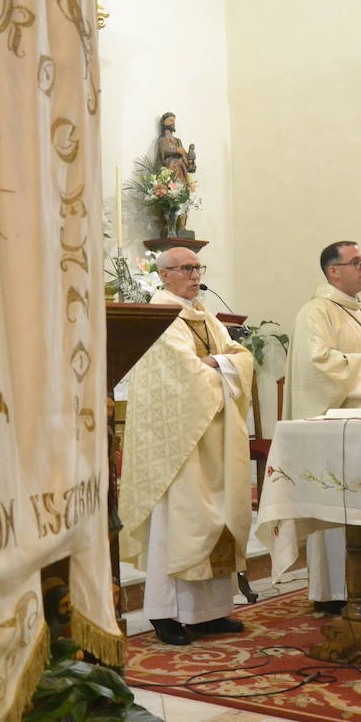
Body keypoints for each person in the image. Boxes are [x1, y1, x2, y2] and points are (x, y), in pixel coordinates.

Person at [118, 248, 255, 644]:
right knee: (178, 523)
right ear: (164, 275)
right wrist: (220, 363)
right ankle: (166, 614)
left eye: (198, 268)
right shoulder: (159, 318)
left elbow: (242, 358)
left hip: (215, 436)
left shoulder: (206, 317)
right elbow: (183, 376)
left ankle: (208, 613)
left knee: (217, 518)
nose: (195, 275)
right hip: (178, 444)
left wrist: (216, 362)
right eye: (186, 269)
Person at [285, 241, 361, 614]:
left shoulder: (360, 311)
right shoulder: (315, 312)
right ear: (333, 271)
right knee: (340, 510)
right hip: (338, 434)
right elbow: (316, 366)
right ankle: (337, 591)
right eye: (356, 262)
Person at [157, 111, 196, 185]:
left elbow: (183, 153)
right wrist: (176, 150)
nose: (173, 123)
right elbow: (164, 151)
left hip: (181, 170)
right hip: (170, 169)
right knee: (171, 186)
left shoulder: (178, 141)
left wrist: (190, 159)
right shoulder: (162, 139)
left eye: (174, 121)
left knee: (181, 187)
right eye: (170, 120)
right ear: (163, 123)